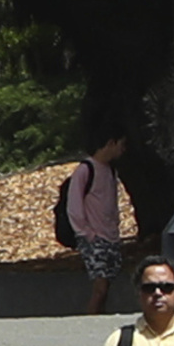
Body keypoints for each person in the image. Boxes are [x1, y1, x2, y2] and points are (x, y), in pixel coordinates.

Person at [59, 129, 132, 311]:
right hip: (94, 238)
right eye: (121, 145)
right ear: (110, 143)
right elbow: (74, 205)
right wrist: (86, 234)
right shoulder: (85, 170)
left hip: (110, 237)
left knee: (106, 285)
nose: (122, 150)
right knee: (100, 287)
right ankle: (90, 322)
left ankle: (99, 318)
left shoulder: (111, 171)